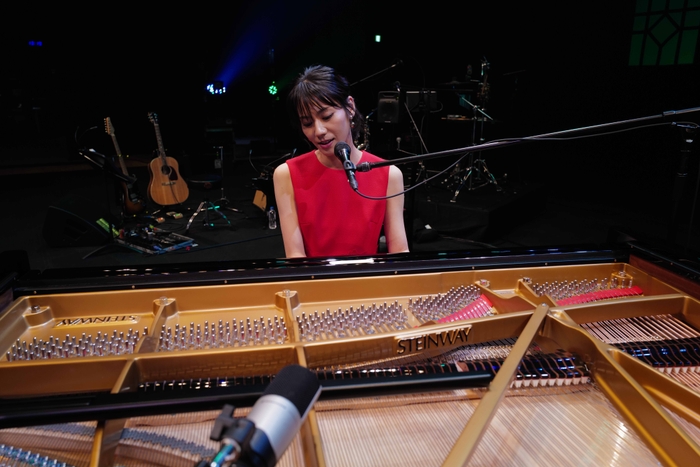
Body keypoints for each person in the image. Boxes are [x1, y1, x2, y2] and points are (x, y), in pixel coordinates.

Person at [273, 65, 409, 258]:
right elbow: (295, 256)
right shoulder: (287, 174)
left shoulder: (389, 175)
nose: (319, 131)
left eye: (326, 116)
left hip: (366, 277)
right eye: (307, 123)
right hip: (313, 277)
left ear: (350, 107)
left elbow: (399, 252)